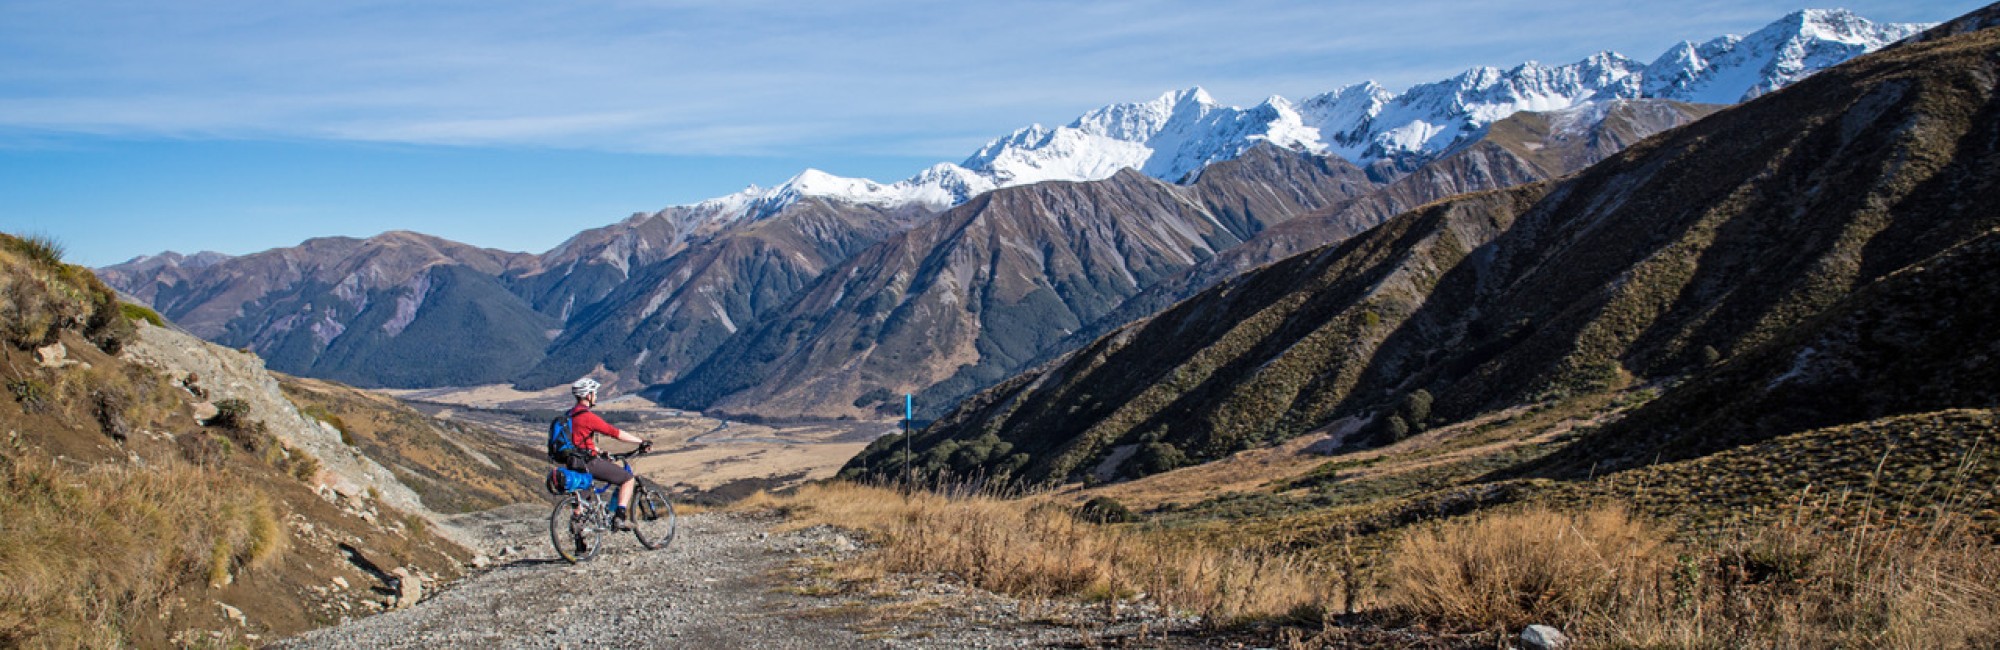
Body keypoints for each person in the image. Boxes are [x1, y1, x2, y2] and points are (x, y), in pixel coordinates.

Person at [564, 378, 652, 529]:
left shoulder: (568, 415)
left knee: (582, 502)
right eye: (594, 393)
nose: (596, 396)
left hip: (572, 463)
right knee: (628, 479)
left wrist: (599, 451)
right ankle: (620, 517)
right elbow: (614, 432)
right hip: (588, 462)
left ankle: (581, 545)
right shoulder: (587, 416)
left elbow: (578, 441)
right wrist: (640, 442)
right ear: (588, 395)